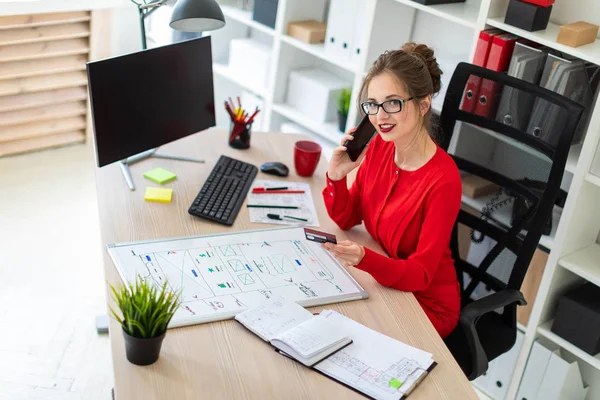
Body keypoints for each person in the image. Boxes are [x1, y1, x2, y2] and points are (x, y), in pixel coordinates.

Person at [322, 43, 462, 338]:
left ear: (423, 105)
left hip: (426, 305)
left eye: (392, 103)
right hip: (388, 284)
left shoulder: (444, 180)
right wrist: (336, 177)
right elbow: (348, 218)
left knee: (344, 334)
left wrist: (364, 259)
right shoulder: (381, 148)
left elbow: (421, 275)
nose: (379, 116)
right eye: (372, 104)